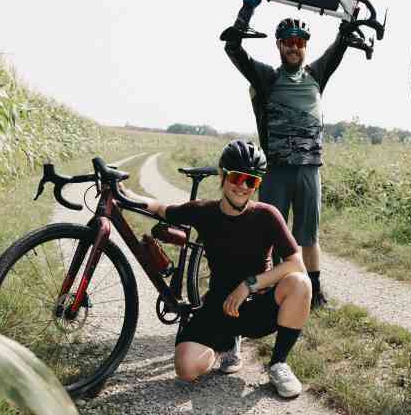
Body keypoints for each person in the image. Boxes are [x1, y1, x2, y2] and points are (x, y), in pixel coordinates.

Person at [123, 140, 311, 398]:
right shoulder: (204, 212)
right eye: (237, 177)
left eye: (252, 181)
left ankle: (278, 363)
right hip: (219, 306)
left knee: (301, 284)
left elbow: (296, 263)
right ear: (222, 175)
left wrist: (248, 285)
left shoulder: (267, 215)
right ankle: (226, 343)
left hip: (257, 305)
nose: (243, 187)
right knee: (186, 369)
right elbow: (160, 209)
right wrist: (124, 194)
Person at [221, 0, 354, 309]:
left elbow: (343, 39)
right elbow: (233, 47)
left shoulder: (316, 74)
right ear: (278, 45)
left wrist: (352, 11)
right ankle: (276, 292)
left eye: (300, 42)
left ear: (305, 47)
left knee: (308, 237)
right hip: (277, 170)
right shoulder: (267, 77)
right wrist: (246, 10)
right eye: (288, 41)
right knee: (275, 237)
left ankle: (316, 293)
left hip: (310, 169)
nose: (294, 47)